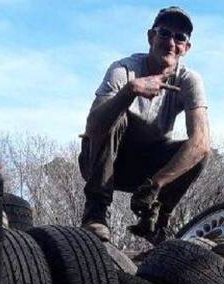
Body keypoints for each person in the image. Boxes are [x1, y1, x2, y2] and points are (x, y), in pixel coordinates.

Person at [78, 6, 210, 244]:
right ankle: (95, 213)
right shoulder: (123, 70)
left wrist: (156, 184)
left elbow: (200, 142)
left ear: (186, 48)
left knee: (199, 153)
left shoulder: (189, 80)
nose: (171, 42)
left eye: (180, 38)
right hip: (103, 160)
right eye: (164, 33)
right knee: (116, 115)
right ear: (151, 36)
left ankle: (156, 222)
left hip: (147, 172)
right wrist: (130, 90)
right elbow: (93, 127)